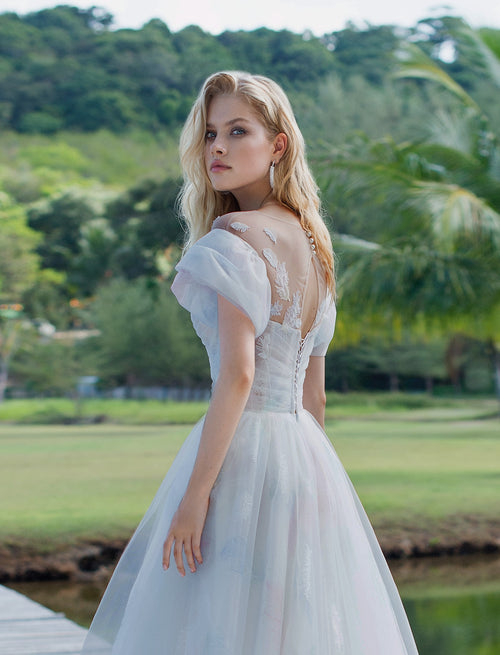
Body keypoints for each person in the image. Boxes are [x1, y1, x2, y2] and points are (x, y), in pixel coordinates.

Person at [81, 71, 419, 654]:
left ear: (277, 144)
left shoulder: (229, 240)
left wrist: (195, 496)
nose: (218, 147)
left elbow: (238, 375)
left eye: (238, 131)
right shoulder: (316, 249)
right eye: (210, 133)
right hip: (304, 460)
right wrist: (317, 484)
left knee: (218, 626)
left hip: (239, 459)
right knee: (287, 626)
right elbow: (313, 397)